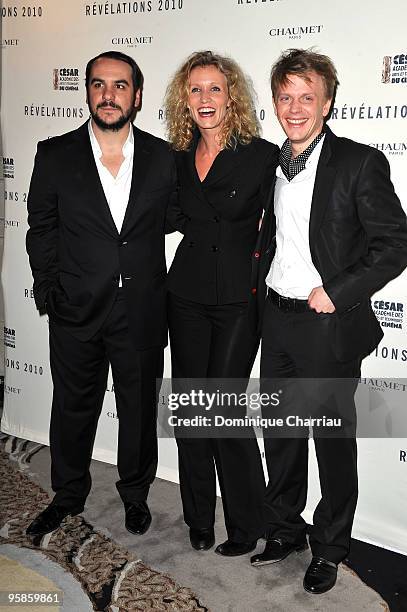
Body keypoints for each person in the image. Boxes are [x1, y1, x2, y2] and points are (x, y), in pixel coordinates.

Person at [249, 48, 407, 594]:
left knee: (332, 443)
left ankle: (332, 547)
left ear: (328, 102)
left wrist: (337, 293)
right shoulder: (269, 161)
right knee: (281, 433)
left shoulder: (359, 162)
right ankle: (284, 530)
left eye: (306, 97)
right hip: (277, 317)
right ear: (275, 102)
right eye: (286, 97)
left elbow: (395, 244)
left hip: (327, 326)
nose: (295, 108)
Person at [25, 51, 176, 538]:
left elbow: (175, 220)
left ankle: (134, 495)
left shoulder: (163, 157)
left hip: (141, 310)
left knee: (137, 412)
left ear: (136, 94)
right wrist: (49, 290)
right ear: (87, 91)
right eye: (98, 85)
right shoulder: (54, 154)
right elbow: (41, 228)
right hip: (75, 308)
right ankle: (67, 495)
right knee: (72, 407)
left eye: (119, 85)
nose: (108, 95)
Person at [164, 50, 279, 556]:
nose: (205, 98)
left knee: (224, 411)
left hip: (237, 298)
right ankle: (198, 518)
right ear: (183, 100)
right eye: (195, 90)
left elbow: (283, 228)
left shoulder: (261, 154)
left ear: (231, 95)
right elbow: (168, 215)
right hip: (185, 293)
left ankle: (245, 523)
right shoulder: (177, 157)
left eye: (214, 88)